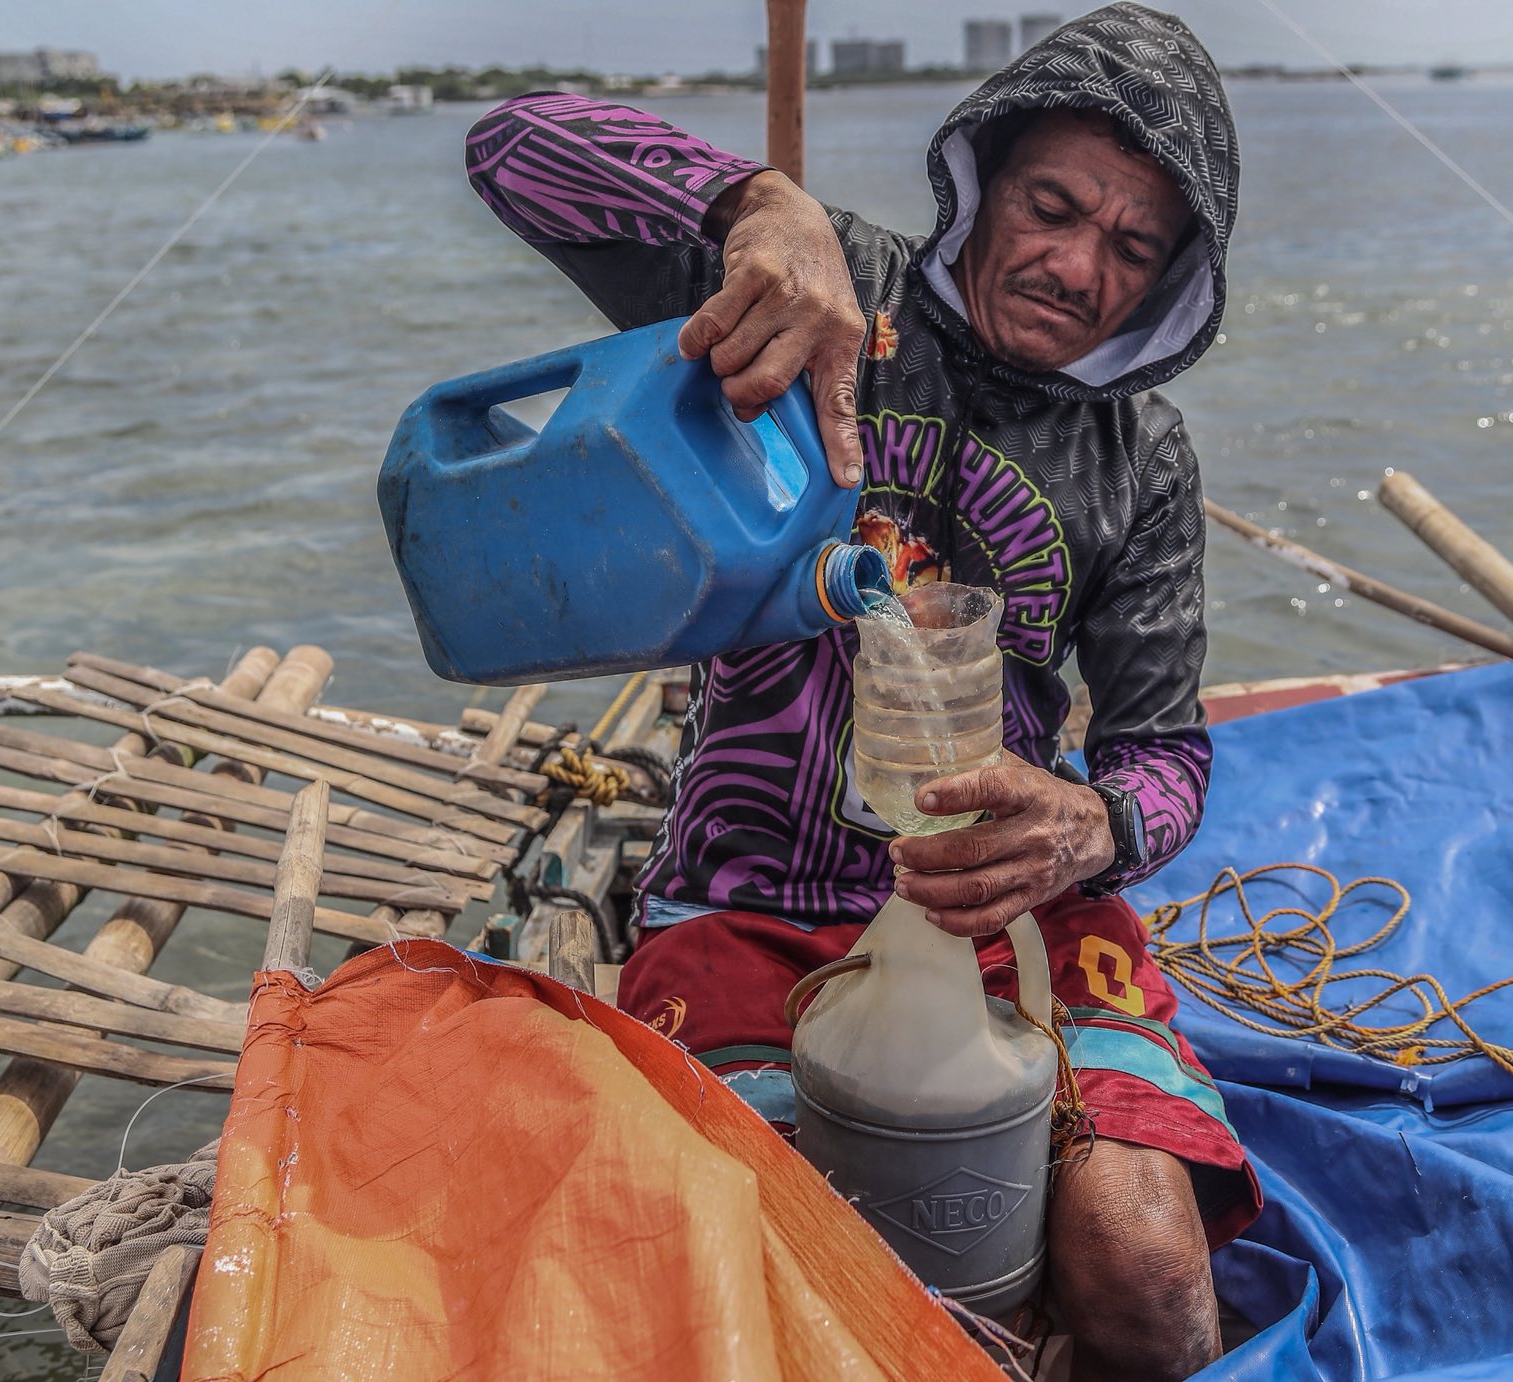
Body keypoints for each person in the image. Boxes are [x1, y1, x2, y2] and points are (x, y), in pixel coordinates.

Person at [466, 5, 1258, 1375]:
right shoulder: (811, 292)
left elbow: (1165, 753)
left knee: (1142, 1277)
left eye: (1132, 248)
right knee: (769, 1266)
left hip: (1010, 909)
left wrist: (1086, 827)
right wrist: (754, 205)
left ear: (1174, 280)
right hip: (750, 894)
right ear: (979, 187)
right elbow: (509, 145)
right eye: (1052, 208)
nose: (1077, 266)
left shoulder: (1146, 459)